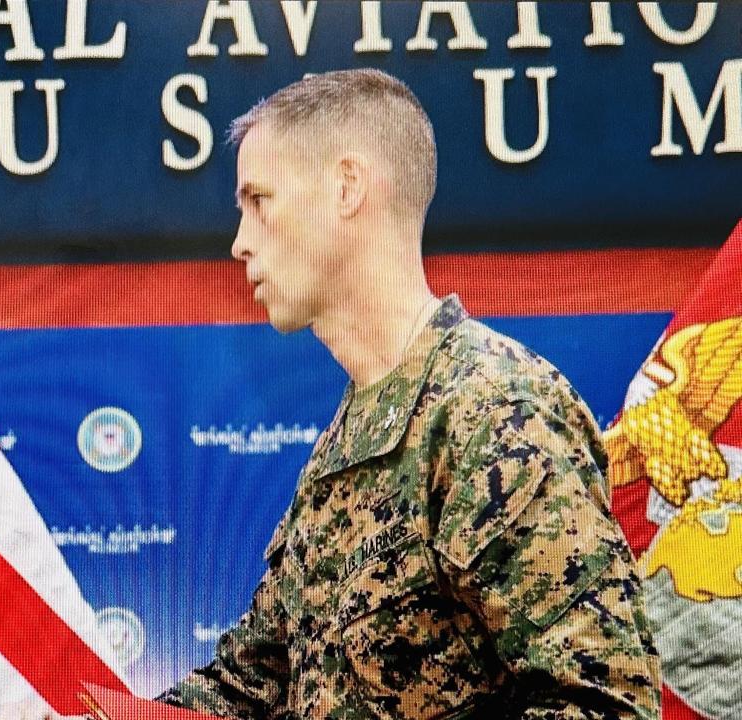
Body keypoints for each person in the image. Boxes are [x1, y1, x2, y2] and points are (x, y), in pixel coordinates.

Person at [156, 70, 661, 719]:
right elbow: (250, 685)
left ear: (346, 188)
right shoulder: (345, 444)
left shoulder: (494, 410)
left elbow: (602, 704)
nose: (240, 241)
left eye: (260, 200)